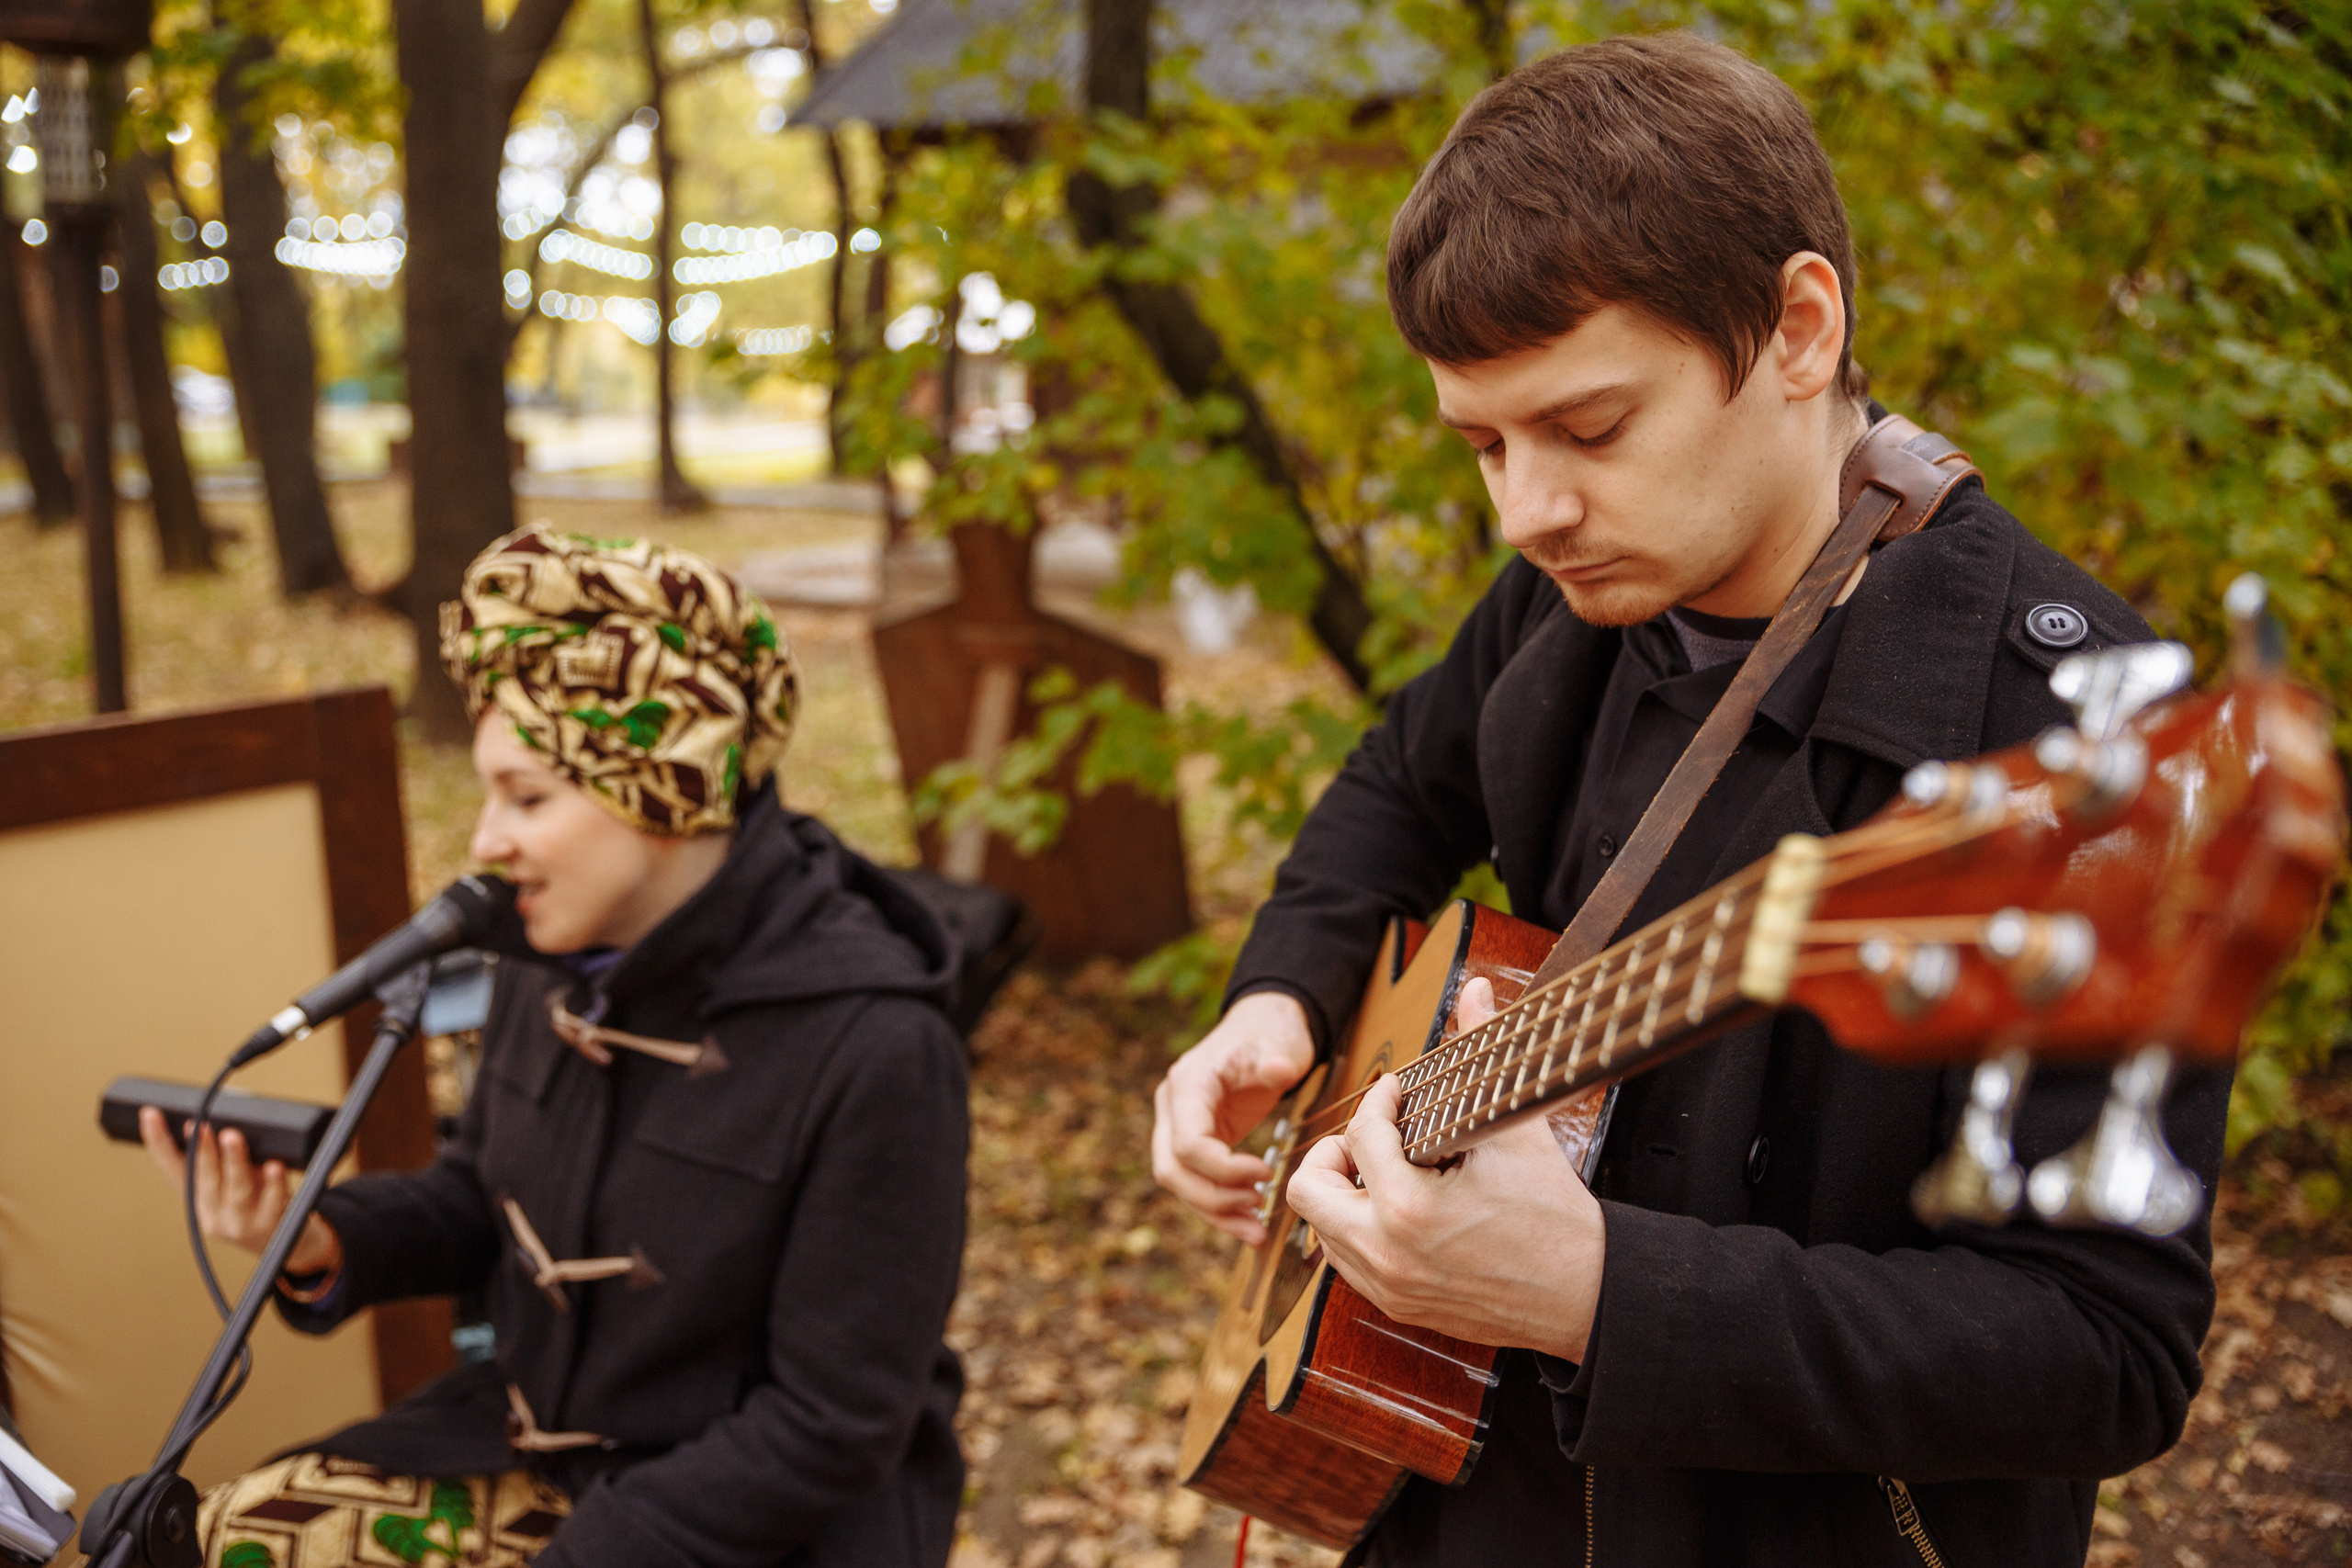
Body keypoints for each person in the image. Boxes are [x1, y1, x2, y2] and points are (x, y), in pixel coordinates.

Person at [1149, 32, 2226, 1568]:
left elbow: (2103, 1351)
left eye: (1589, 429)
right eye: (1483, 445)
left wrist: (1597, 1291)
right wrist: (1283, 995)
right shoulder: (1566, 598)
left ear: (1797, 326)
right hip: (1463, 1499)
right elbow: (1398, 778)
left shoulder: (2090, 744)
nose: (1527, 510)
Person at [143, 525, 971, 1568]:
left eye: (528, 798)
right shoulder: (550, 956)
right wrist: (326, 1239)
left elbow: (829, 1428)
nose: (486, 841)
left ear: (661, 787)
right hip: (536, 1459)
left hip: (759, 1532)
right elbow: (481, 1199)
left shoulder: (880, 1047)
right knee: (226, 1538)